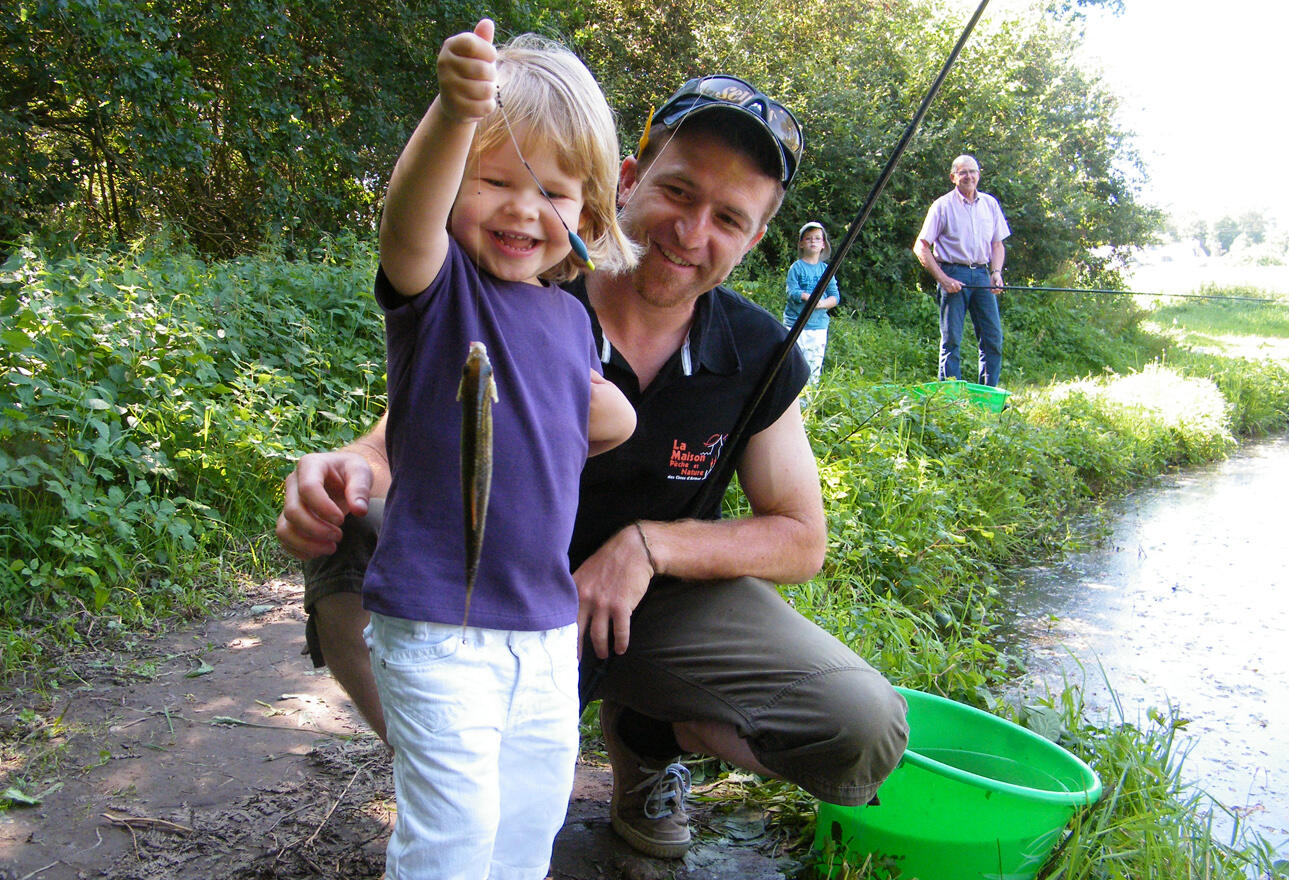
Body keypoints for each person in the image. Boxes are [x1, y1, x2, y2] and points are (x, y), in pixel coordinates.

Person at [279, 73, 910, 862]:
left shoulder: (757, 350)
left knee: (858, 723)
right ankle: (450, 761)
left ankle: (650, 738)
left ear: (753, 241)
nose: (690, 230)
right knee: (350, 523)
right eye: (677, 190)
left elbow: (799, 538)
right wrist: (339, 466)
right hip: (484, 595)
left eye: (727, 219)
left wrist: (648, 547)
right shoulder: (521, 279)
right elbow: (400, 435)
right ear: (625, 180)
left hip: (650, 614)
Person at [360, 21, 637, 879]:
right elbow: (406, 226)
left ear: (589, 216)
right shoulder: (440, 293)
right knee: (452, 836)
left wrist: (611, 416)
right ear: (454, 189)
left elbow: (584, 414)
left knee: (527, 827)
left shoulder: (570, 318)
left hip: (545, 631)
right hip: (438, 624)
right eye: (493, 179)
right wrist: (452, 115)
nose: (524, 208)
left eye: (555, 193)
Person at [913, 154, 1011, 387]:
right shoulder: (942, 205)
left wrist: (996, 273)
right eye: (963, 172)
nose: (969, 176)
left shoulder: (990, 204)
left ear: (979, 174)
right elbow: (921, 246)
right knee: (951, 341)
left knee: (992, 339)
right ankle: (948, 397)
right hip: (952, 273)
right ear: (953, 177)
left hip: (981, 275)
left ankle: (989, 394)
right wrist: (944, 279)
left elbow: (997, 244)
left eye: (973, 171)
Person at [783, 220, 841, 385]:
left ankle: (808, 405)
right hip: (794, 324)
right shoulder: (796, 267)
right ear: (801, 244)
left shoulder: (825, 270)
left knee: (813, 367)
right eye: (808, 238)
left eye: (817, 238)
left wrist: (821, 304)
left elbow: (835, 296)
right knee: (791, 365)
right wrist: (810, 298)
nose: (813, 242)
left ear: (823, 244)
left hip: (818, 327)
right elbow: (792, 291)